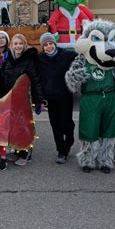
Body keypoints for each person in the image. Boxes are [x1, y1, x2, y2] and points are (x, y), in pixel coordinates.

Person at [2, 33, 44, 166]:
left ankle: (26, 152)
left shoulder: (29, 60)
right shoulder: (8, 59)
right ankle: (17, 150)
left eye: (20, 43)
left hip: (24, 99)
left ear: (24, 44)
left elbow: (36, 80)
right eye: (16, 44)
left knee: (24, 125)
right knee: (13, 126)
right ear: (11, 45)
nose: (18, 46)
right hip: (10, 99)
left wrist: (39, 100)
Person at [37, 32, 76, 164]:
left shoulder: (65, 54)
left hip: (65, 95)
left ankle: (69, 139)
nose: (49, 47)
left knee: (66, 123)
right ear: (42, 47)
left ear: (55, 43)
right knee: (55, 125)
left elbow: (81, 56)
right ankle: (61, 151)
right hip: (50, 97)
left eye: (50, 43)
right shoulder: (40, 58)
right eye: (45, 45)